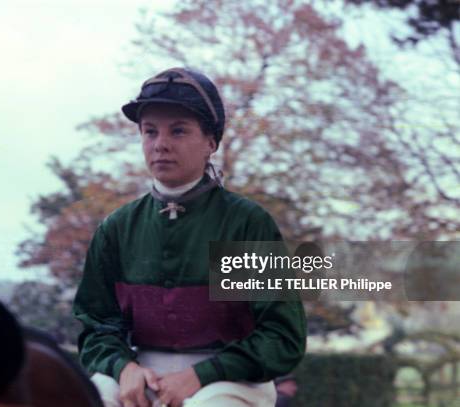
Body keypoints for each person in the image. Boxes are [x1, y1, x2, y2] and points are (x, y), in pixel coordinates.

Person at [72, 67, 307, 407]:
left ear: (211, 142)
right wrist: (123, 367)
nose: (161, 144)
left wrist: (201, 374)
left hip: (232, 379)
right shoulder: (116, 228)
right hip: (140, 373)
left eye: (178, 131)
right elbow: (97, 326)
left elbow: (281, 337)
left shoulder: (245, 224)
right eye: (150, 132)